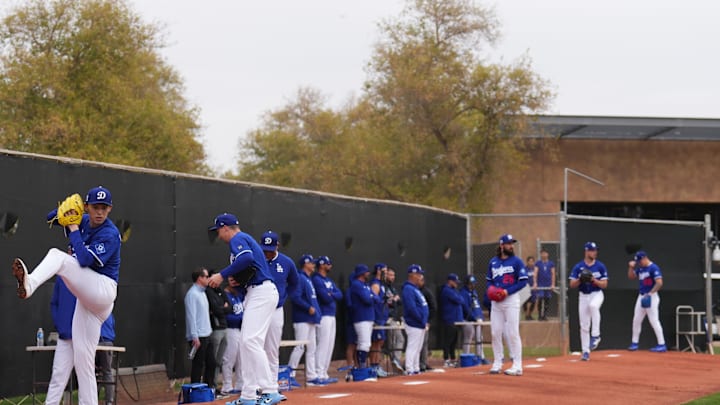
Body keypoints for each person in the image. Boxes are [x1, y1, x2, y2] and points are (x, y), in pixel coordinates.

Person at [13, 185, 120, 405]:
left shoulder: (110, 233)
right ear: (88, 207)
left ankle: (30, 283)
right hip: (88, 301)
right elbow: (50, 217)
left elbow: (84, 260)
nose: (100, 212)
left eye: (104, 207)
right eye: (95, 207)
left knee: (57, 256)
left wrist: (73, 227)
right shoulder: (83, 219)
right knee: (84, 362)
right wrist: (67, 209)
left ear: (110, 209)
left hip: (103, 290)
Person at [206, 213, 283, 405]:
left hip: (261, 292)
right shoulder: (244, 239)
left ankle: (270, 389)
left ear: (225, 228)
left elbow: (246, 259)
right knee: (247, 343)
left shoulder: (238, 238)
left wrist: (222, 275)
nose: (218, 235)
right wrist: (236, 281)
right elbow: (250, 269)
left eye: (218, 231)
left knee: (250, 341)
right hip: (257, 291)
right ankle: (248, 395)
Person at [260, 230, 299, 384]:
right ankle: (255, 384)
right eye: (264, 250)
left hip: (276, 310)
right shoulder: (256, 260)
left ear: (277, 246)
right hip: (258, 309)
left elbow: (295, 282)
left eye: (270, 250)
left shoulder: (286, 262)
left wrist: (283, 296)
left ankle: (271, 384)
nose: (267, 253)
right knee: (255, 345)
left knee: (272, 348)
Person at [486, 234, 528, 376]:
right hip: (496, 302)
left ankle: (517, 365)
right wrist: (491, 290)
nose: (511, 246)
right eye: (509, 243)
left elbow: (523, 282)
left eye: (512, 243)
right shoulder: (493, 262)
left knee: (512, 332)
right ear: (501, 245)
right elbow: (489, 281)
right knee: (495, 332)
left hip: (511, 300)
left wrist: (506, 291)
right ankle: (498, 362)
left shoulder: (517, 262)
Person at [569, 241, 609, 362]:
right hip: (583, 296)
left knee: (593, 306)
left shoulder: (600, 266)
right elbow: (572, 284)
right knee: (584, 325)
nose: (594, 252)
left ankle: (596, 335)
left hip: (596, 294)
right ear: (586, 251)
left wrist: (593, 280)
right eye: (592, 250)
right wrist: (581, 279)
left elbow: (605, 284)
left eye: (595, 250)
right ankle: (585, 352)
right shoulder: (578, 267)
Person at [288, 254, 322, 386]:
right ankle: (290, 375)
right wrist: (308, 308)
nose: (314, 265)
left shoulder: (308, 279)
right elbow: (295, 297)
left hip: (311, 319)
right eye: (311, 263)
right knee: (300, 347)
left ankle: (311, 376)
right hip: (302, 319)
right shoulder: (300, 278)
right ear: (305, 264)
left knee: (312, 348)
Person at [311, 255, 343, 384]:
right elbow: (325, 297)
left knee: (330, 345)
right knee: (322, 344)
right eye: (327, 263)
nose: (330, 265)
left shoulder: (328, 280)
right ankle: (318, 372)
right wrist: (331, 295)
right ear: (321, 265)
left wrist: (332, 294)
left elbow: (340, 295)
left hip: (331, 314)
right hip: (323, 315)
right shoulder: (317, 279)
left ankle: (324, 372)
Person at [627, 251, 667, 352]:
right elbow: (631, 277)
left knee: (653, 320)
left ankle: (662, 344)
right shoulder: (641, 268)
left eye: (640, 261)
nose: (639, 263)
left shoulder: (653, 268)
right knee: (636, 320)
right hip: (641, 296)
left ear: (644, 258)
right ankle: (634, 343)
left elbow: (659, 283)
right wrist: (631, 268)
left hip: (651, 296)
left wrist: (650, 293)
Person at [184, 267, 216, 387]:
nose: (208, 279)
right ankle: (195, 390)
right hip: (198, 336)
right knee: (198, 365)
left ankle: (209, 388)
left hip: (207, 334)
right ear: (200, 278)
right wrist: (194, 336)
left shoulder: (203, 293)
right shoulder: (192, 294)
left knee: (211, 363)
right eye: (207, 277)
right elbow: (191, 316)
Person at [350, 264, 381, 371]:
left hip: (368, 316)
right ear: (362, 273)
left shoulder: (366, 285)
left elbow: (377, 298)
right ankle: (361, 367)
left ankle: (362, 367)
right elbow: (367, 299)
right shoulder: (356, 284)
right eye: (366, 272)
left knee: (366, 343)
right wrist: (372, 297)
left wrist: (372, 296)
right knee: (364, 343)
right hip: (361, 317)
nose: (368, 274)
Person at [220, 274, 246, 396]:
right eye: (232, 281)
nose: (235, 283)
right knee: (229, 358)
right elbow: (227, 315)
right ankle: (227, 386)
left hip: (240, 330)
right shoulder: (225, 295)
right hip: (230, 329)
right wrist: (240, 320)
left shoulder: (238, 295)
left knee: (241, 359)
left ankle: (240, 384)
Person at [402, 264, 429, 375]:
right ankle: (409, 368)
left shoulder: (415, 289)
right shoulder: (408, 289)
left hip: (420, 322)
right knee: (413, 346)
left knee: (418, 348)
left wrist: (424, 320)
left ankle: (415, 367)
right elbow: (411, 308)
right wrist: (420, 319)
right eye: (418, 274)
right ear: (412, 275)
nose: (420, 276)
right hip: (414, 322)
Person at [206, 269, 231, 389]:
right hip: (215, 329)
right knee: (212, 361)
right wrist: (223, 308)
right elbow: (215, 309)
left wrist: (223, 308)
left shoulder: (220, 290)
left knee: (219, 361)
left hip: (224, 327)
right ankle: (210, 386)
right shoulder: (208, 291)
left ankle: (215, 386)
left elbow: (229, 307)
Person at [459, 275, 490, 364]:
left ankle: (481, 357)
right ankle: (466, 356)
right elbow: (466, 307)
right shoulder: (463, 293)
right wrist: (474, 317)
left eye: (473, 284)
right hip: (469, 319)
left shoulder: (474, 292)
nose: (472, 286)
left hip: (478, 319)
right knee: (468, 338)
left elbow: (477, 306)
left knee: (479, 338)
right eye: (470, 284)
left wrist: (480, 316)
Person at [369, 263, 390, 377]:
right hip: (377, 317)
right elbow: (373, 300)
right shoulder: (375, 284)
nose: (386, 274)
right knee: (375, 342)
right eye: (384, 271)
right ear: (378, 271)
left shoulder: (382, 285)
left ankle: (377, 364)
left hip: (382, 317)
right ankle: (373, 365)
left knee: (380, 342)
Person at [439, 273, 463, 368]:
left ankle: (452, 358)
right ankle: (446, 359)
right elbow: (459, 300)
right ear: (450, 281)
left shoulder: (454, 290)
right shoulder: (446, 290)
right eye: (455, 282)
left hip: (456, 319)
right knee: (448, 340)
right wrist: (459, 298)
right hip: (449, 319)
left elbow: (461, 299)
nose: (456, 284)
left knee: (454, 341)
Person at [383, 267, 404, 373]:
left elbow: (400, 301)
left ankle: (396, 361)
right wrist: (393, 300)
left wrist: (396, 299)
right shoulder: (383, 287)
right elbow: (386, 302)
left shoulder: (393, 288)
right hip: (387, 317)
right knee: (393, 341)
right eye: (390, 275)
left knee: (399, 339)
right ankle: (395, 362)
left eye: (393, 275)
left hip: (394, 317)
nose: (392, 277)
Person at [96, 314, 116, 405]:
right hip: (106, 343)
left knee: (94, 372)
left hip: (96, 342)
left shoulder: (94, 309)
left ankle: (93, 399)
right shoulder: (109, 312)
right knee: (106, 372)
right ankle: (109, 402)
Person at [418, 275, 436, 372]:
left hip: (425, 321)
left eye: (420, 280)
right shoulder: (413, 291)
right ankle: (416, 363)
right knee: (416, 344)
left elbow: (433, 307)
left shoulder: (426, 292)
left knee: (424, 343)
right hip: (415, 321)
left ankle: (423, 364)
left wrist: (428, 320)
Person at [534, 249, 556, 321]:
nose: (544, 255)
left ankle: (545, 315)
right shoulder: (538, 263)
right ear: (540, 255)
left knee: (547, 299)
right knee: (540, 298)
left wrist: (553, 284)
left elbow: (553, 274)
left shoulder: (551, 263)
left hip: (548, 284)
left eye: (545, 253)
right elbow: (535, 273)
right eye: (542, 253)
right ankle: (540, 315)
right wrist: (535, 283)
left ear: (547, 254)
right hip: (540, 284)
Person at [522, 256, 536, 320]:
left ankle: (530, 314)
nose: (531, 263)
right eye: (530, 261)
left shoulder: (535, 269)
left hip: (533, 288)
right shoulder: (524, 269)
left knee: (533, 301)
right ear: (527, 262)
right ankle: (526, 315)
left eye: (532, 261)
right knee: (525, 302)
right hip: (526, 288)